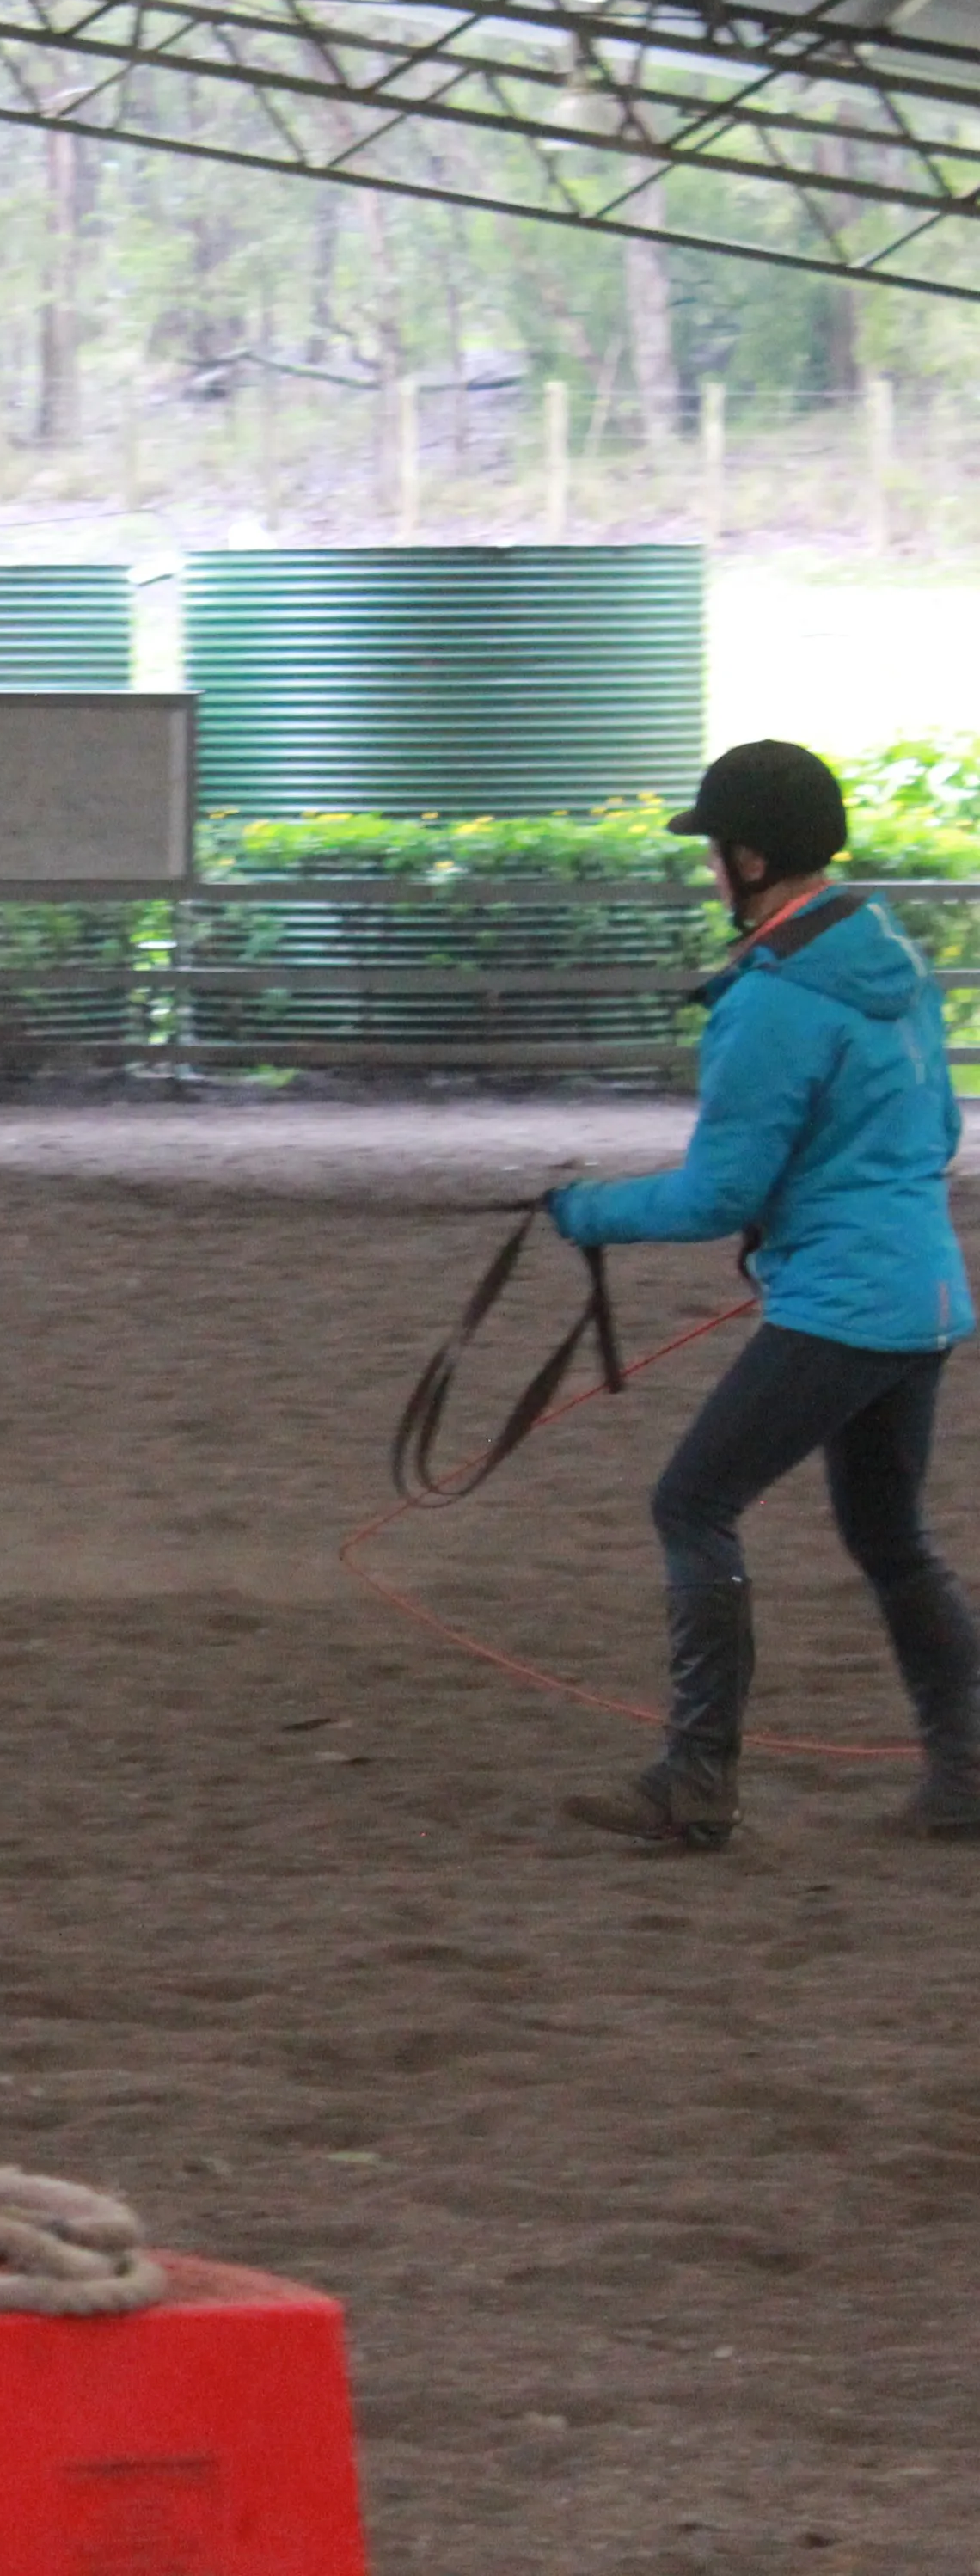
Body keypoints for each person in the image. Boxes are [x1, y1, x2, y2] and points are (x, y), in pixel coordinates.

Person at [548, 739, 976, 1847]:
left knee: (692, 1504)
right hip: (923, 1292)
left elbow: (717, 1190)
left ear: (747, 856)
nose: (707, 873)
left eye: (713, 853)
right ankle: (969, 1769)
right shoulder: (893, 957)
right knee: (889, 1535)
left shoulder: (774, 1000)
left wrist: (584, 1210)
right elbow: (935, 1133)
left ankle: (695, 1779)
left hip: (844, 1302)